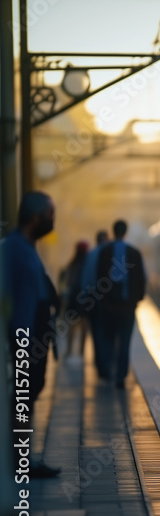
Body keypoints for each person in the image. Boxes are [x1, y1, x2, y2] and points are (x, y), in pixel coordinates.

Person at [0, 192, 61, 477]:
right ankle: (19, 462)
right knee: (23, 396)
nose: (52, 221)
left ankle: (22, 459)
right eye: (50, 215)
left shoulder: (25, 246)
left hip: (34, 334)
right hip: (24, 336)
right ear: (36, 217)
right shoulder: (13, 248)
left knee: (29, 392)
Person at [95, 220, 146, 388]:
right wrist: (136, 299)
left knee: (108, 339)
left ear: (113, 231)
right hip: (127, 307)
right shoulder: (134, 253)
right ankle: (121, 376)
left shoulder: (104, 252)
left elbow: (98, 278)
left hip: (108, 307)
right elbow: (140, 279)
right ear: (125, 232)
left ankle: (108, 370)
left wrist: (102, 300)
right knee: (124, 342)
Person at [80, 230, 110, 378]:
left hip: (93, 299)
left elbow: (86, 279)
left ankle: (100, 365)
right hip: (108, 300)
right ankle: (106, 365)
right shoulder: (110, 254)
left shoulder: (91, 255)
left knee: (97, 334)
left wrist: (85, 297)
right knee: (107, 334)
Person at [58, 240, 89, 357]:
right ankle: (81, 351)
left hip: (73, 298)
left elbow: (66, 282)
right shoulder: (87, 264)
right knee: (84, 326)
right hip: (86, 298)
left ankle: (70, 350)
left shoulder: (71, 265)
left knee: (71, 325)